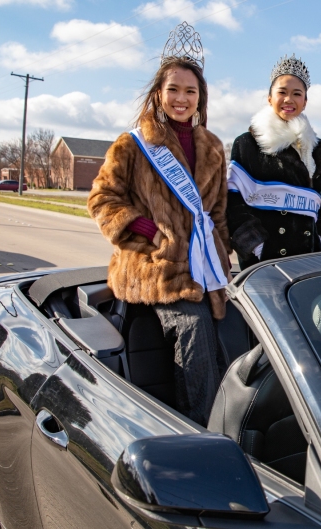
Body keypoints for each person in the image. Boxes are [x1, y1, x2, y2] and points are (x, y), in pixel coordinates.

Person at [87, 22, 231, 425]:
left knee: (240, 331)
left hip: (205, 270)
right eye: (173, 90)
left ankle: (240, 426)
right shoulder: (133, 144)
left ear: (200, 97)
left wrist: (222, 254)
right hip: (155, 269)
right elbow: (101, 200)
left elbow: (217, 214)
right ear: (158, 94)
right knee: (195, 330)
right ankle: (201, 432)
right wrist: (151, 234)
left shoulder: (213, 147)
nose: (181, 99)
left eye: (190, 91)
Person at [226, 54, 321, 270]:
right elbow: (232, 202)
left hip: (308, 262)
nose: (289, 99)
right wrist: (257, 247)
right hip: (262, 265)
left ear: (305, 102)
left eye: (297, 94)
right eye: (282, 92)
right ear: (269, 98)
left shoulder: (316, 151)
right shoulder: (247, 144)